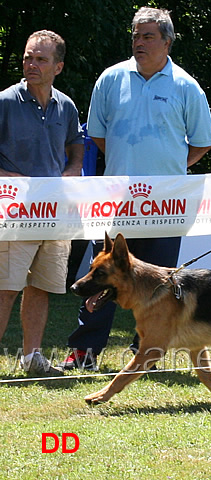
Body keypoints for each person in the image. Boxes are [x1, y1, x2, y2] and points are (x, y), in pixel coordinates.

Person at [59, 7, 211, 371]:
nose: (138, 42)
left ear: (167, 42)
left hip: (167, 206)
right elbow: (96, 134)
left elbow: (203, 142)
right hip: (118, 202)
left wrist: (171, 170)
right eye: (135, 35)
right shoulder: (110, 79)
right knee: (103, 276)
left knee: (159, 285)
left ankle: (146, 354)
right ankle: (83, 353)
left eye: (147, 36)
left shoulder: (186, 86)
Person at [0, 30, 84, 376]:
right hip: (14, 211)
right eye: (27, 57)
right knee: (5, 288)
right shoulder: (5, 102)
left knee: (42, 287)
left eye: (41, 59)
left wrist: (74, 168)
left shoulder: (66, 106)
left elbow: (76, 144)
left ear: (58, 66)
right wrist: (10, 177)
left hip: (55, 212)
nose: (31, 65)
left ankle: (32, 358)